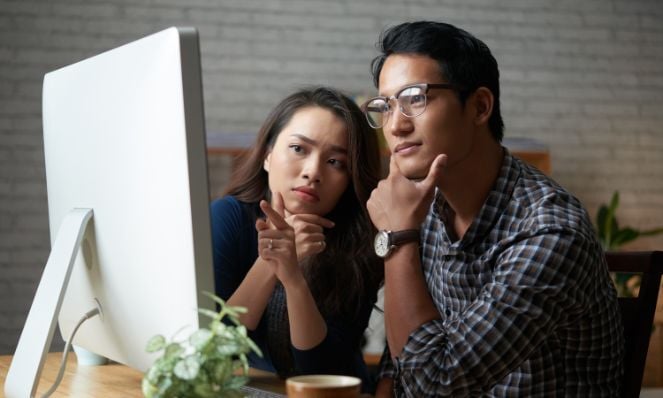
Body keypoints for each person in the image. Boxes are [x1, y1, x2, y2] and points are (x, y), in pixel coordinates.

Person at [361, 21, 623, 397]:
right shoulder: (428, 207)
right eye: (386, 106)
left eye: (415, 98)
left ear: (480, 106)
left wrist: (397, 236)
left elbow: (436, 383)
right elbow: (409, 340)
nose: (396, 125)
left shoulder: (550, 231)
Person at [210, 86, 383, 391]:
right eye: (299, 149)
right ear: (267, 155)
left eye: (335, 162)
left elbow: (323, 373)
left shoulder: (358, 241)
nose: (312, 172)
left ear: (350, 178)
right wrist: (270, 262)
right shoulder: (229, 218)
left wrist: (293, 279)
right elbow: (212, 351)